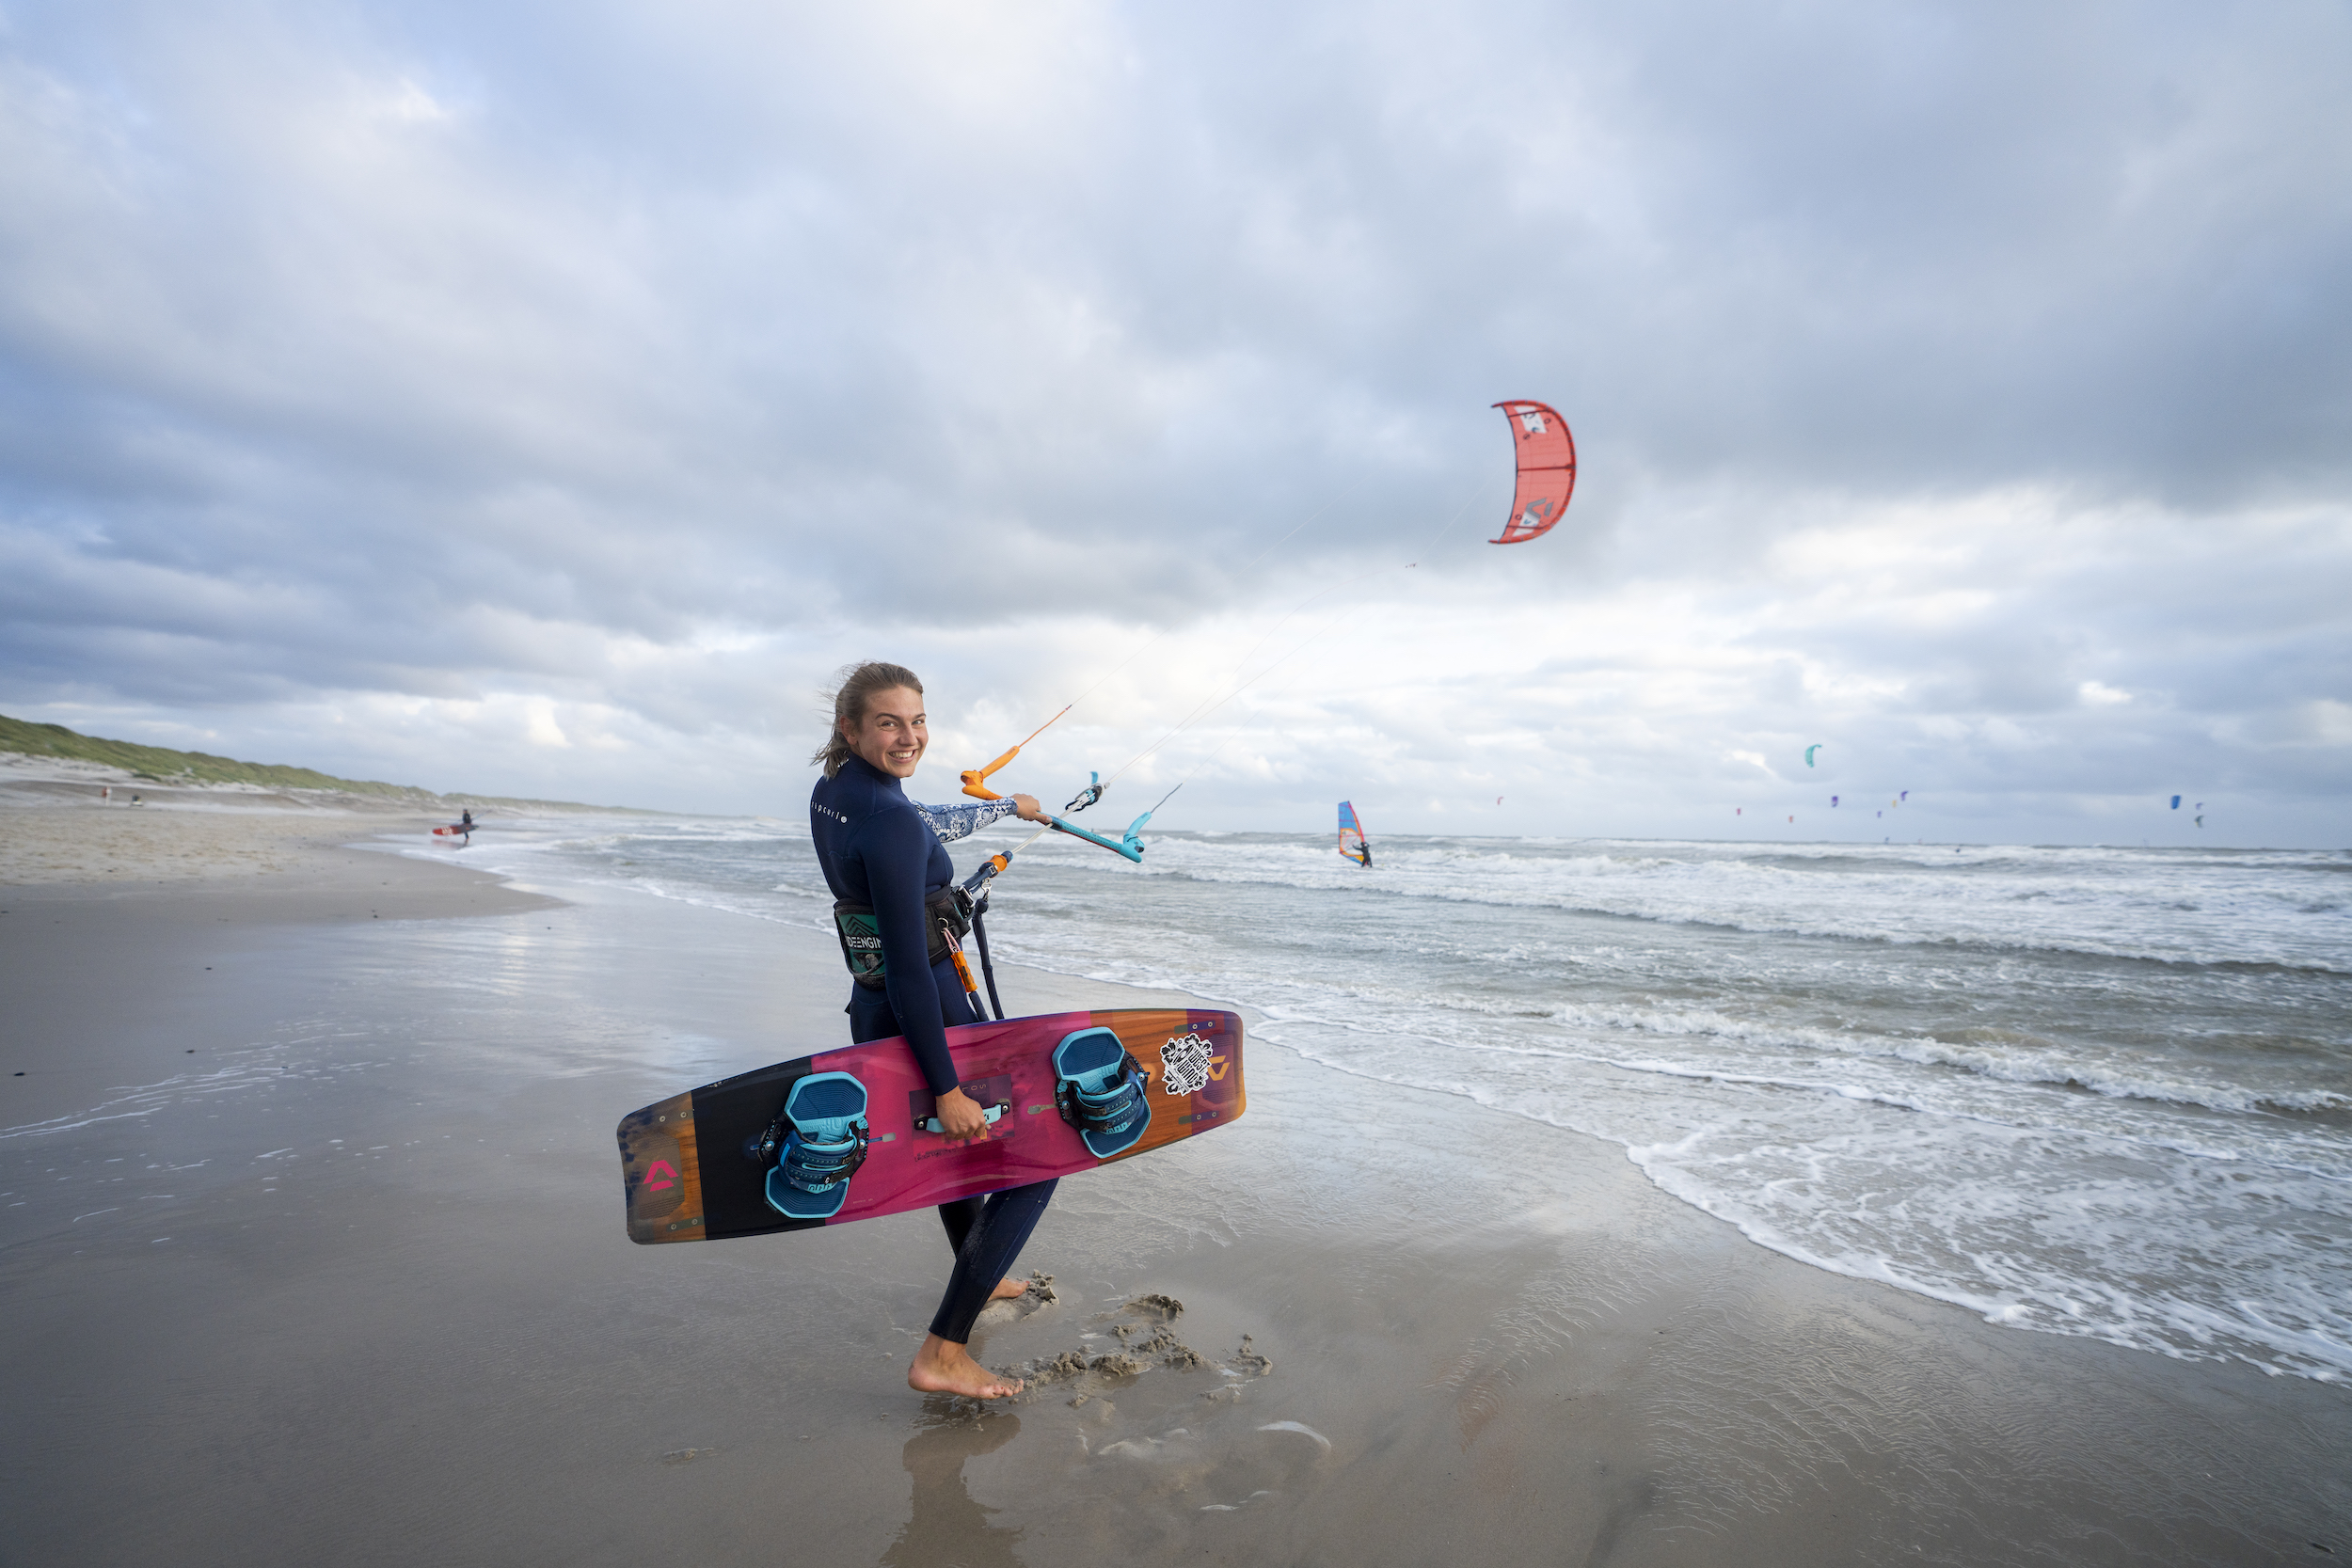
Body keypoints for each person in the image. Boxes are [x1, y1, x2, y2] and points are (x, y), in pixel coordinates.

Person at [809, 661, 1056, 1400]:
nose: (910, 735)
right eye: (889, 722)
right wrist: (946, 1083)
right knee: (1039, 1157)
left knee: (960, 1156)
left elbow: (928, 824)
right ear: (850, 727)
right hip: (928, 1011)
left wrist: (1007, 804)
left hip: (872, 1003)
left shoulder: (838, 793)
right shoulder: (887, 820)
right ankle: (944, 1349)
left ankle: (981, 1267)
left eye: (918, 720)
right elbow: (916, 967)